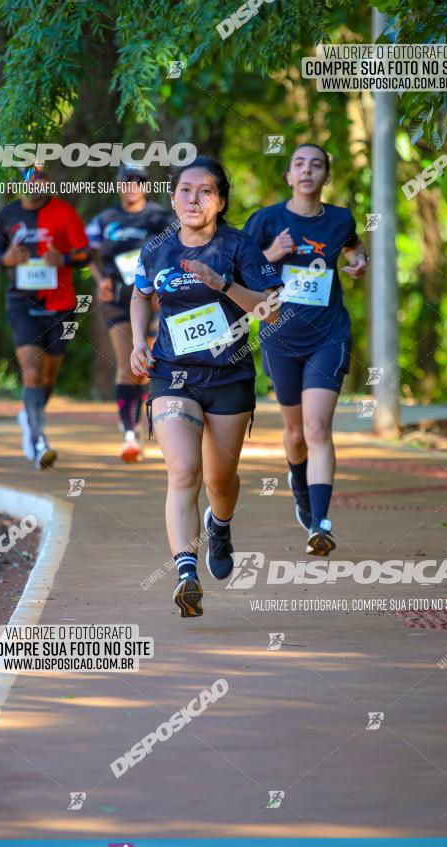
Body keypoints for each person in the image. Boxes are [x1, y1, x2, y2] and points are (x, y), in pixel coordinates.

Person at [130, 157, 282, 618]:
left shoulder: (240, 247)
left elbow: (271, 310)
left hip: (229, 376)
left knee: (219, 481)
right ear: (173, 197)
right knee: (184, 472)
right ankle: (185, 574)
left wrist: (224, 284)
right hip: (172, 373)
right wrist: (139, 342)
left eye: (205, 192)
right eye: (184, 191)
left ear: (221, 201)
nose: (193, 199)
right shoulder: (156, 248)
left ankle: (220, 524)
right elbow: (140, 294)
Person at [244, 143, 369, 556]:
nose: (307, 171)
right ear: (288, 176)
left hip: (328, 335)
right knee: (296, 434)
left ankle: (320, 522)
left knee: (317, 429)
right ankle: (299, 485)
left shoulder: (339, 220)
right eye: (299, 164)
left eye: (316, 165)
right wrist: (271, 254)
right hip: (279, 336)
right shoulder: (266, 220)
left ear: (325, 177)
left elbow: (351, 246)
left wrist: (359, 260)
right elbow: (234, 269)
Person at [0, 165, 90, 468]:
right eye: (29, 176)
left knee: (48, 376)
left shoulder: (64, 213)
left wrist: (65, 258)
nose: (35, 182)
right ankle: (37, 439)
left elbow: (85, 253)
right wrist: (6, 259)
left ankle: (29, 416)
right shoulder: (8, 215)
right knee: (32, 373)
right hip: (22, 302)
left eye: (41, 176)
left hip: (60, 304)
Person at [87, 163, 172, 461]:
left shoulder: (158, 217)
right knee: (127, 363)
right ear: (119, 184)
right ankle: (129, 433)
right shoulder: (106, 218)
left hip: (153, 299)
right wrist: (100, 282)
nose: (132, 186)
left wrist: (164, 284)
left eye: (138, 181)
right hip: (118, 297)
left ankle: (154, 421)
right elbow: (87, 252)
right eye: (127, 181)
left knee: (150, 362)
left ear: (145, 185)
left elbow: (176, 248)